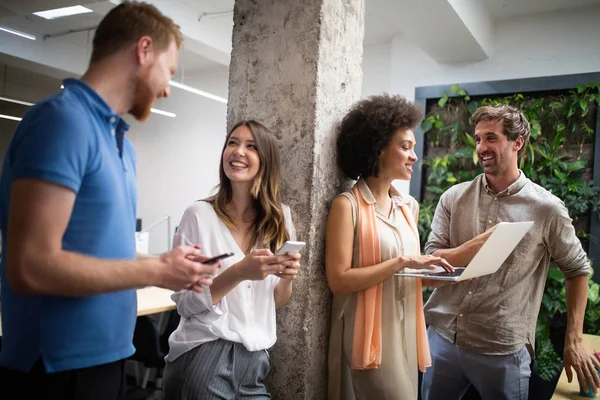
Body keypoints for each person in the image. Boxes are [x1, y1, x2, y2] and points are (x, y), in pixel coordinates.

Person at [0, 2, 219, 399]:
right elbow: (31, 266)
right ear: (144, 49)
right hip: (56, 367)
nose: (168, 89)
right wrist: (155, 273)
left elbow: (100, 250)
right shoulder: (62, 121)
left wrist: (166, 265)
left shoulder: (121, 145)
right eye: (169, 71)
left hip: (107, 356)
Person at [421, 104, 600, 399]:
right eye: (478, 139)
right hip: (442, 339)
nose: (481, 147)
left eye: (491, 138)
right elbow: (431, 262)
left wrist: (573, 340)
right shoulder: (453, 197)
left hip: (501, 349)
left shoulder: (546, 208)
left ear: (517, 142)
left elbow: (577, 269)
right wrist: (476, 247)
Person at [162, 120, 302, 400]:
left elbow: (274, 301)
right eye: (232, 143)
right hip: (205, 353)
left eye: (251, 146)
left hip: (256, 362)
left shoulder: (280, 219)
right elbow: (186, 305)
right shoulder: (199, 215)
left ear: (267, 160)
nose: (238, 151)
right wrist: (238, 272)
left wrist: (286, 279)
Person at [326, 94, 453, 400]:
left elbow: (409, 275)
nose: (414, 156)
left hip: (406, 326)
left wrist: (444, 276)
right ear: (378, 149)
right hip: (366, 334)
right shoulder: (347, 206)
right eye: (405, 147)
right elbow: (339, 281)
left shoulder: (408, 205)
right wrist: (400, 263)